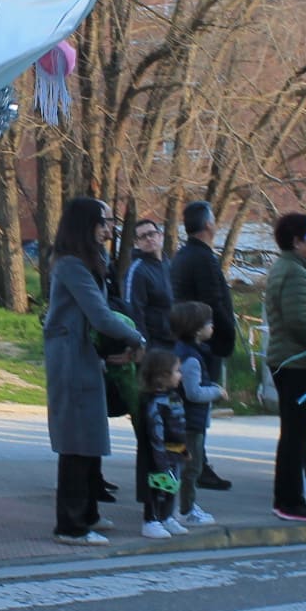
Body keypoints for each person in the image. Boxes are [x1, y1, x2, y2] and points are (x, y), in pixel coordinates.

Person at [45, 196, 142, 544]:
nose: (109, 228)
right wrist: (137, 339)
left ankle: (88, 513)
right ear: (85, 225)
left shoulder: (90, 260)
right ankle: (70, 525)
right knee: (76, 440)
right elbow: (100, 315)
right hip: (70, 359)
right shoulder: (70, 264)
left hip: (86, 356)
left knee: (90, 436)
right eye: (104, 222)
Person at [262, 212, 306, 524]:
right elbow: (297, 320)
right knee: (296, 434)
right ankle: (289, 501)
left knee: (295, 433)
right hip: (298, 363)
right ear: (296, 240)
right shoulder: (293, 273)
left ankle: (292, 498)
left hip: (296, 361)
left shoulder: (292, 269)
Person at [169, 201, 235, 491]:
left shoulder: (183, 255)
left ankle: (194, 462)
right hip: (203, 341)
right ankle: (196, 465)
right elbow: (214, 302)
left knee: (191, 409)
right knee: (198, 408)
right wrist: (225, 334)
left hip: (190, 338)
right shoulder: (202, 259)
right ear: (208, 225)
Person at [169, 302, 222, 527]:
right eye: (209, 323)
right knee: (192, 467)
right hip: (191, 422)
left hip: (185, 420)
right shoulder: (192, 358)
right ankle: (185, 509)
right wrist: (217, 391)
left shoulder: (185, 351)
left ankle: (181, 507)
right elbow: (193, 392)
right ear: (196, 329)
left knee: (183, 466)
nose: (213, 327)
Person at [134, 346, 188, 538]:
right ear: (161, 377)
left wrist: (182, 450)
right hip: (160, 454)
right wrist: (161, 460)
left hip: (174, 450)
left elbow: (179, 426)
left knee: (172, 486)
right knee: (156, 488)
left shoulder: (173, 398)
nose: (180, 375)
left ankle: (166, 517)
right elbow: (156, 433)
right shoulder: (156, 403)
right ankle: (151, 520)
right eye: (176, 371)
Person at [123, 216, 175, 341]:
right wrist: (142, 344)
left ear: (160, 236)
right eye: (143, 236)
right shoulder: (137, 271)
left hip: (177, 338)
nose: (148, 238)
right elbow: (134, 311)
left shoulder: (168, 264)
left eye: (151, 234)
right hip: (156, 344)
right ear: (137, 243)